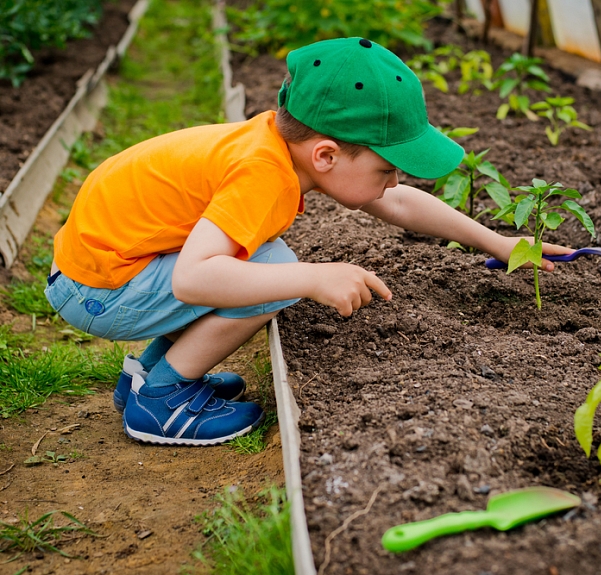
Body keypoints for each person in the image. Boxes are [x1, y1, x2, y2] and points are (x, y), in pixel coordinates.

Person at [46, 37, 572, 447]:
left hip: (105, 269)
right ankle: (161, 400)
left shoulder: (280, 149)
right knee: (275, 271)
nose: (393, 183)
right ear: (325, 156)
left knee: (263, 263)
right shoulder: (262, 175)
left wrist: (498, 243)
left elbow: (400, 204)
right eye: (387, 169)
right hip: (99, 290)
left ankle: (148, 375)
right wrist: (314, 277)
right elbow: (193, 277)